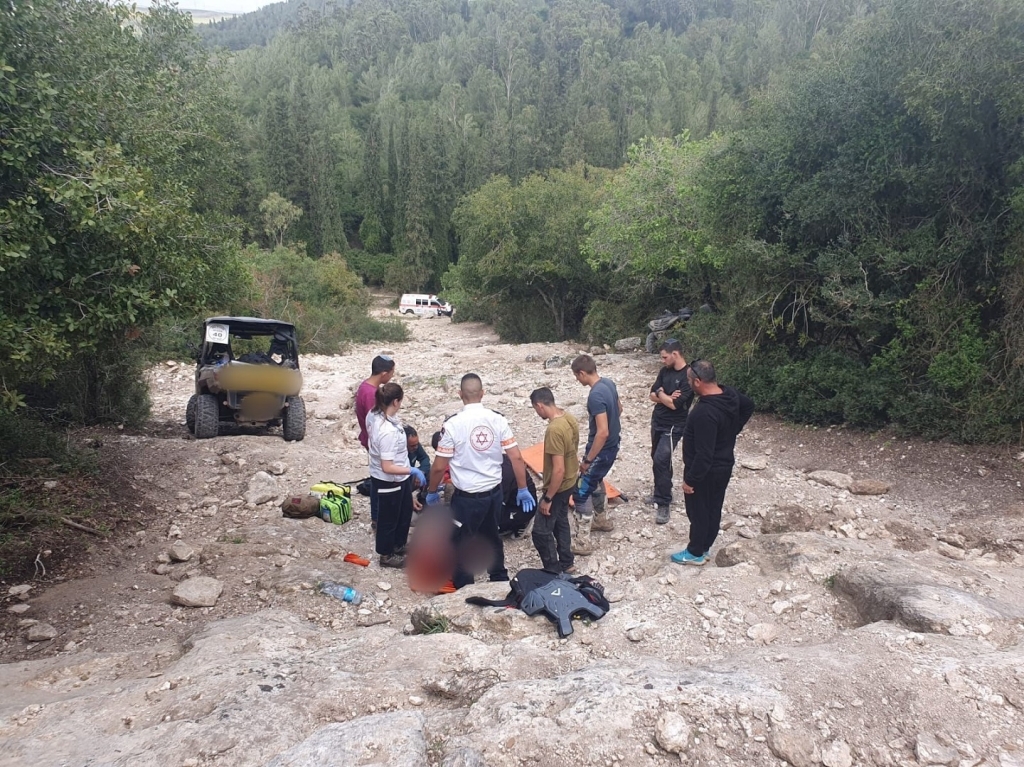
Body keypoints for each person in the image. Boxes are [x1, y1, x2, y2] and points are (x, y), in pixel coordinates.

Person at [424, 373, 536, 589]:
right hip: (494, 494)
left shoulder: (453, 425)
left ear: (460, 395)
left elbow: (439, 465)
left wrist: (431, 491)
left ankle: (464, 586)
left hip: (466, 498)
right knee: (491, 535)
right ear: (483, 394)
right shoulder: (497, 420)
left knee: (460, 541)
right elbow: (516, 457)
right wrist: (523, 488)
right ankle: (499, 579)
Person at [671, 360, 754, 566]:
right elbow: (749, 405)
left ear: (698, 381)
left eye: (689, 380)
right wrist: (733, 428)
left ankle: (696, 552)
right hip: (724, 465)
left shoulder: (704, 413)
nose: (687, 383)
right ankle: (706, 545)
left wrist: (690, 480)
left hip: (706, 470)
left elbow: (704, 455)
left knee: (698, 510)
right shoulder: (729, 394)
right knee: (713, 507)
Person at [367, 382, 425, 568]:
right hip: (389, 479)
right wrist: (412, 470)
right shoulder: (386, 432)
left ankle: (399, 545)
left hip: (399, 477)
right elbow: (387, 466)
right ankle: (386, 554)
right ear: (395, 401)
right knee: (389, 518)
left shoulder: (375, 414)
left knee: (403, 512)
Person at [569, 354, 621, 555]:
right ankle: (601, 520)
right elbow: (619, 409)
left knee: (581, 491)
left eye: (576, 376)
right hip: (613, 446)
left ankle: (582, 542)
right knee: (597, 480)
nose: (577, 380)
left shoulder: (595, 395)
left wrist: (588, 460)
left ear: (582, 373)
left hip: (601, 451)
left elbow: (602, 431)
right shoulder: (609, 384)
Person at [529, 387, 579, 574]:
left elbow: (558, 469)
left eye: (536, 409)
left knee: (541, 532)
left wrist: (548, 498)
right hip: (570, 480)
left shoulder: (554, 430)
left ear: (540, 405)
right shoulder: (569, 418)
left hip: (558, 486)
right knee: (561, 521)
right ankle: (567, 562)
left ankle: (552, 569)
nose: (537, 413)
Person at [649, 339, 693, 525]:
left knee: (662, 458)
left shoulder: (689, 376)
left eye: (665, 357)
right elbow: (651, 394)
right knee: (657, 458)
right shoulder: (664, 371)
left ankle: (664, 502)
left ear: (675, 354)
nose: (662, 360)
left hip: (674, 425)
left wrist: (661, 394)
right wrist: (664, 395)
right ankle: (660, 491)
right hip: (657, 420)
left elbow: (675, 405)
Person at [356, 354, 396, 530]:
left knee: (376, 479)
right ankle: (379, 517)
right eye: (392, 373)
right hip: (376, 443)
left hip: (369, 439)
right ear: (384, 374)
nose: (392, 376)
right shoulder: (373, 395)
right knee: (381, 481)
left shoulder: (364, 386)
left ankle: (377, 516)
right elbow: (377, 423)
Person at [498, 452, 537, 538]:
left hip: (523, 507)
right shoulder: (500, 459)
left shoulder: (503, 475)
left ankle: (520, 526)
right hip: (512, 498)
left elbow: (497, 502)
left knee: (487, 524)